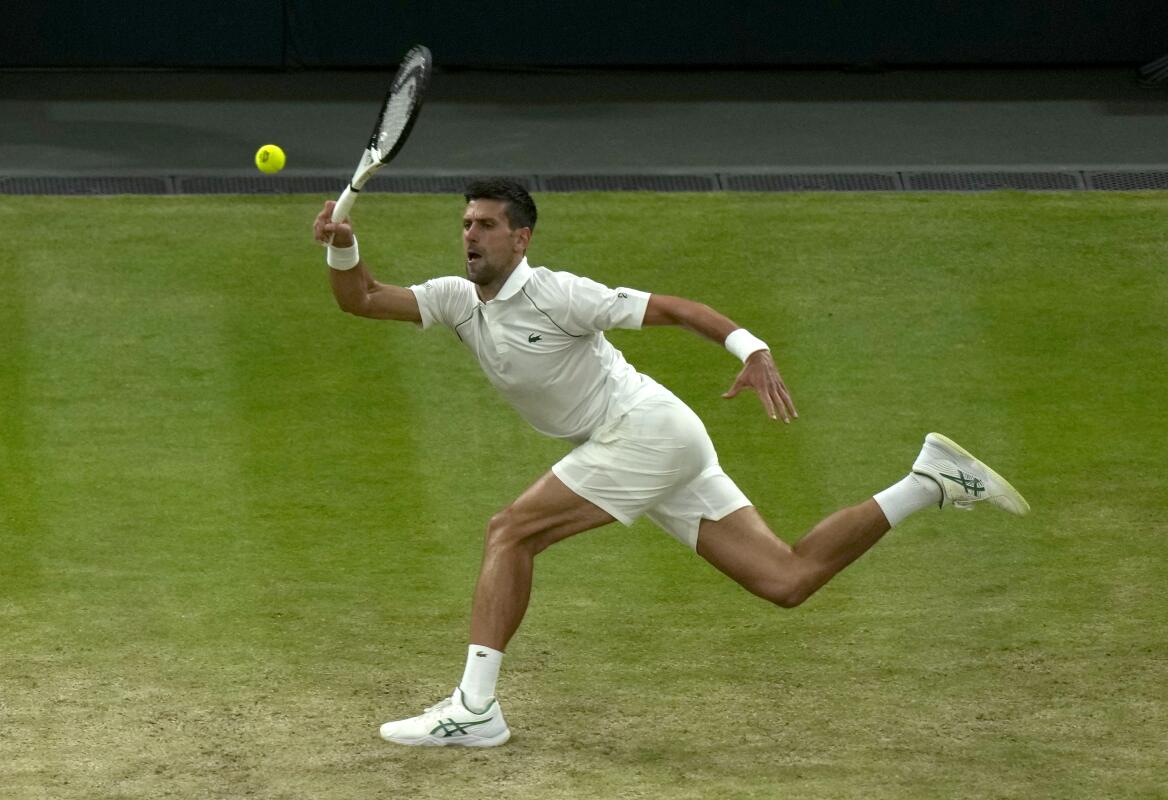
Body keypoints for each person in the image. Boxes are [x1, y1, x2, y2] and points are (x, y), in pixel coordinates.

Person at [311, 178, 1028, 748]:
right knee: (785, 579)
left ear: (520, 238)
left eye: (486, 224)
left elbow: (677, 310)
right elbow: (363, 299)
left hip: (642, 431)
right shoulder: (456, 300)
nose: (470, 234)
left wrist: (751, 350)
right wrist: (342, 245)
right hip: (638, 444)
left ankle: (475, 708)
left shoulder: (560, 293)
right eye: (466, 223)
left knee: (511, 531)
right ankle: (928, 480)